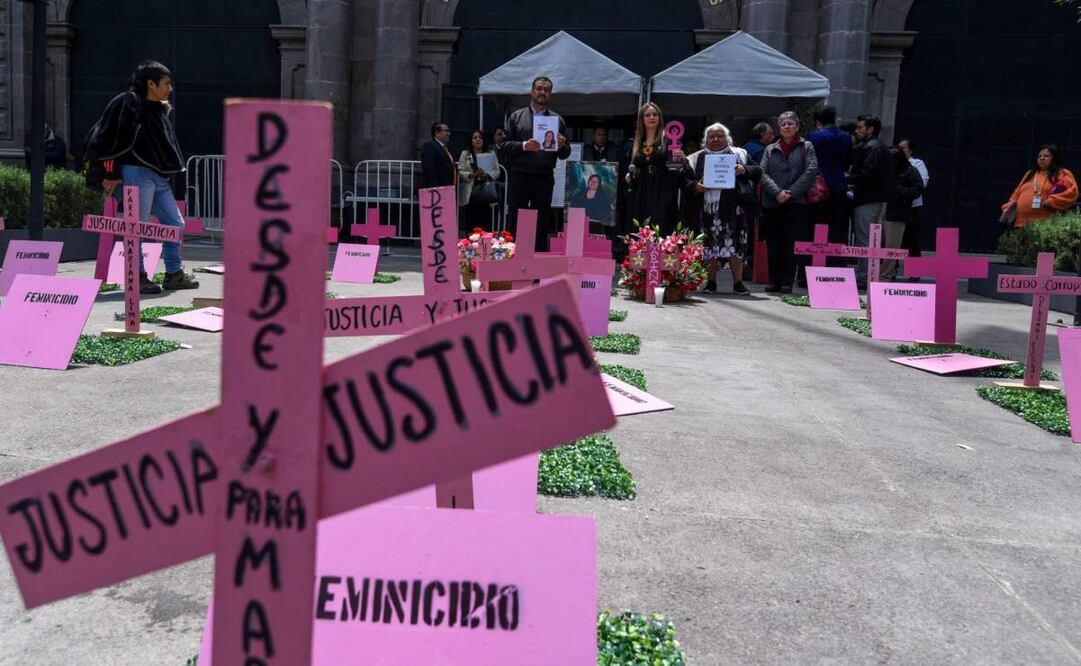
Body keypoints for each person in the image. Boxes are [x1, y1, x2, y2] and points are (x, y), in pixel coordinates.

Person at [85, 60, 198, 293]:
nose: (170, 88)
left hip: (157, 178)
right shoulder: (127, 103)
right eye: (166, 83)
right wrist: (112, 173)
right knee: (136, 227)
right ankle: (136, 276)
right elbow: (106, 139)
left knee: (174, 223)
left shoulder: (157, 108)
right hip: (135, 173)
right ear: (151, 83)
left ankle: (173, 274)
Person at [682, 123, 761, 294]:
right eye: (712, 136)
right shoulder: (695, 158)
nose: (716, 139)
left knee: (736, 246)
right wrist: (696, 186)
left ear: (727, 138)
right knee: (709, 246)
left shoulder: (740, 154)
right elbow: (684, 181)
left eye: (720, 136)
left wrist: (743, 169)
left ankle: (738, 283)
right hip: (707, 209)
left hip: (734, 209)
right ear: (705, 140)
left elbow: (758, 171)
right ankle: (710, 282)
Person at [499, 75, 571, 250]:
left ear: (550, 94)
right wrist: (524, 145)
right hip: (520, 175)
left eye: (546, 90)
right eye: (539, 88)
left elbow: (565, 153)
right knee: (515, 216)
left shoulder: (557, 120)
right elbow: (503, 146)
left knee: (542, 218)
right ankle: (510, 258)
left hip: (544, 177)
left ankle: (538, 262)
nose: (542, 92)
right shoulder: (516, 117)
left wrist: (562, 145)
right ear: (532, 92)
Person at [759, 111, 819, 294]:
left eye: (790, 123)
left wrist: (791, 192)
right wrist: (777, 192)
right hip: (772, 202)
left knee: (790, 243)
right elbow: (762, 173)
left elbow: (811, 170)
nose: (786, 127)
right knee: (773, 243)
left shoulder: (806, 146)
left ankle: (787, 281)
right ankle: (773, 280)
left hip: (796, 203)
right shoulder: (770, 148)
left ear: (797, 126)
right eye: (783, 124)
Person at [846, 114, 895, 288]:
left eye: (860, 128)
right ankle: (863, 275)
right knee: (867, 238)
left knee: (865, 239)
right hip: (870, 198)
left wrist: (848, 177)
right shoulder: (873, 146)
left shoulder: (873, 147)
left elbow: (867, 175)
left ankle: (863, 277)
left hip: (868, 199)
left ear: (870, 129)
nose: (857, 131)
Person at [625, 102, 683, 234]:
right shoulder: (636, 142)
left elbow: (676, 168)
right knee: (641, 223)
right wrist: (630, 174)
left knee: (661, 222)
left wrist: (679, 159)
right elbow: (635, 165)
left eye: (655, 114)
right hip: (642, 188)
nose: (652, 117)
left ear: (660, 118)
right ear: (642, 119)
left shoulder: (669, 139)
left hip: (662, 187)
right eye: (648, 115)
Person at [808, 106, 852, 265]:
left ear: (818, 121)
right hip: (839, 185)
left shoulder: (814, 137)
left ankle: (812, 267)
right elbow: (847, 161)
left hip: (818, 187)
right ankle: (836, 264)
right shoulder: (846, 137)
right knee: (838, 228)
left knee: (815, 227)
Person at [1001, 144, 1078, 228]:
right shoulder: (1030, 174)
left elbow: (1072, 192)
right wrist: (1009, 207)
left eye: (1046, 156)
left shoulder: (1062, 173)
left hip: (1046, 224)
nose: (1041, 158)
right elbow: (1016, 193)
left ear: (1054, 158)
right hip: (1021, 223)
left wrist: (1052, 202)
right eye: (1039, 156)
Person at [881, 147, 925, 281]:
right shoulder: (888, 170)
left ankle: (887, 273)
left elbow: (918, 189)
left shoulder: (911, 170)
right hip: (885, 205)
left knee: (894, 243)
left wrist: (898, 191)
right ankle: (887, 271)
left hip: (899, 208)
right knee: (882, 242)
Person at [457, 129, 500, 230]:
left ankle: (484, 243)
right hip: (470, 191)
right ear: (471, 141)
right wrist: (472, 174)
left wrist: (487, 175)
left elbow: (497, 171)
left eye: (480, 137)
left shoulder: (491, 153)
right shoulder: (465, 154)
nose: (478, 140)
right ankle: (470, 243)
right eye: (475, 138)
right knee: (470, 220)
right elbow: (460, 171)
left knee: (485, 220)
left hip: (486, 191)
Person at [898, 138, 928, 265]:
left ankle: (915, 269)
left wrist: (904, 191)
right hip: (896, 206)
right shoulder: (893, 164)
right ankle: (891, 268)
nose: (900, 150)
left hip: (913, 206)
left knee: (912, 237)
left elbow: (923, 182)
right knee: (894, 238)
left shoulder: (917, 164)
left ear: (910, 150)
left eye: (903, 148)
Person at [421, 121, 457, 189]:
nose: (449, 134)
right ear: (436, 132)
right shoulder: (430, 146)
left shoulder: (445, 149)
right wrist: (435, 188)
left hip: (448, 187)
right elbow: (429, 169)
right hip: (438, 190)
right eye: (446, 131)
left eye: (449, 131)